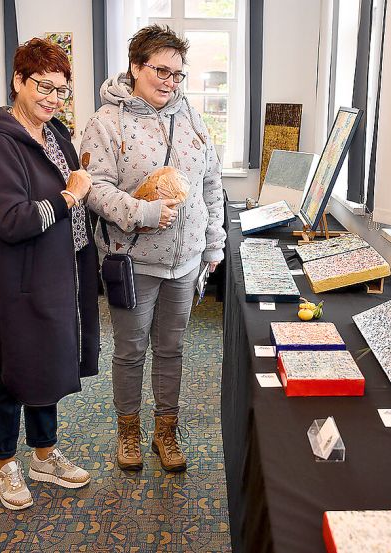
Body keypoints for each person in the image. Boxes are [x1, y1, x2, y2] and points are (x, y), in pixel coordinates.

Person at [81, 25, 226, 473]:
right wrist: (142, 212)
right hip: (133, 262)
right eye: (161, 70)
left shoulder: (193, 118)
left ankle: (166, 430)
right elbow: (92, 188)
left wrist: (213, 243)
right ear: (136, 67)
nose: (170, 81)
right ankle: (128, 431)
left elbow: (211, 184)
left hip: (185, 264)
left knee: (172, 349)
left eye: (178, 74)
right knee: (130, 351)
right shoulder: (106, 122)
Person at [0, 38, 99, 511]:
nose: (52, 99)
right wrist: (69, 197)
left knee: (48, 367)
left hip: (56, 272)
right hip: (12, 282)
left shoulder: (55, 133)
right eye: (43, 87)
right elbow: (13, 220)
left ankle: (43, 455)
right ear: (18, 81)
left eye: (61, 91)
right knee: (9, 375)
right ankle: (3, 462)